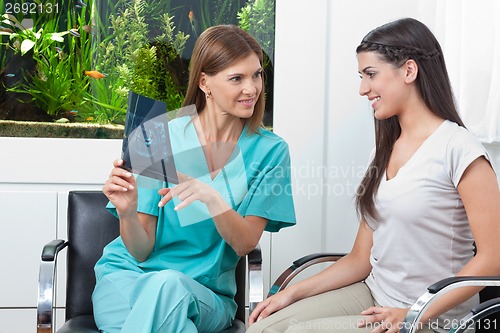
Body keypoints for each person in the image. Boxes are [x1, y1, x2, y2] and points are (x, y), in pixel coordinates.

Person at [247, 17, 500, 333]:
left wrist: (412, 313)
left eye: (370, 75)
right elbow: (359, 259)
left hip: (434, 316)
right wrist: (291, 293)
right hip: (374, 292)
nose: (362, 89)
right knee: (263, 326)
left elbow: (493, 259)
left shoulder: (459, 148)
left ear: (409, 71)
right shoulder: (384, 150)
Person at [92, 24, 296, 333]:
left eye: (257, 75)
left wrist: (213, 199)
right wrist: (128, 212)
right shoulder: (156, 134)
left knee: (168, 287)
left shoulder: (270, 151)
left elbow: (244, 243)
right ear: (205, 82)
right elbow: (140, 251)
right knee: (166, 309)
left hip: (204, 295)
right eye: (236, 78)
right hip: (126, 278)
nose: (252, 88)